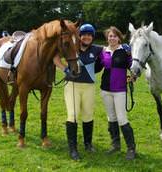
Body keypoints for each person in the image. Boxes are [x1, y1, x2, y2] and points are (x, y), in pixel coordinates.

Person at [53, 23, 103, 160]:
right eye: (84, 35)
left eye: (89, 35)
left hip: (89, 87)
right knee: (73, 115)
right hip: (72, 86)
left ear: (92, 37)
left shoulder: (98, 49)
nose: (86, 37)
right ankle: (73, 149)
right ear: (79, 36)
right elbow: (55, 58)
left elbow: (111, 50)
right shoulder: (71, 47)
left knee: (88, 115)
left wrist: (126, 49)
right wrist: (65, 69)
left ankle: (88, 144)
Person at [97, 26, 136, 160]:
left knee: (122, 119)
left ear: (119, 38)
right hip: (105, 90)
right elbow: (97, 67)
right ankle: (115, 145)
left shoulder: (125, 51)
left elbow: (132, 66)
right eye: (109, 36)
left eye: (114, 36)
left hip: (119, 90)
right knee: (111, 118)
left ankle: (131, 148)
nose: (112, 38)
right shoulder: (103, 52)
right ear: (107, 38)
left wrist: (134, 76)